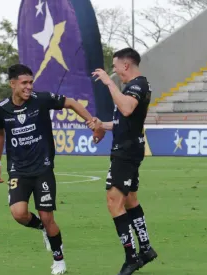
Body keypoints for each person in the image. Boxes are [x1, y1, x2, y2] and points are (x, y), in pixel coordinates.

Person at [0, 64, 95, 275]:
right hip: (18, 170)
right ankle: (43, 230)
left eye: (31, 82)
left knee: (48, 217)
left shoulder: (42, 99)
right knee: (19, 214)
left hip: (43, 169)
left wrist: (91, 121)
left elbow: (72, 103)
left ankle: (59, 260)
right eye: (24, 83)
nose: (29, 87)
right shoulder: (1, 108)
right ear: (13, 84)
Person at [91, 48, 157, 275]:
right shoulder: (133, 87)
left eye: (116, 66)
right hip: (128, 147)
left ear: (126, 65)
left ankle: (131, 257)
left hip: (126, 151)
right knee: (129, 199)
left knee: (113, 201)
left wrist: (109, 84)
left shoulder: (137, 85)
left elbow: (127, 109)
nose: (115, 71)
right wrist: (102, 125)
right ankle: (146, 248)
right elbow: (123, 121)